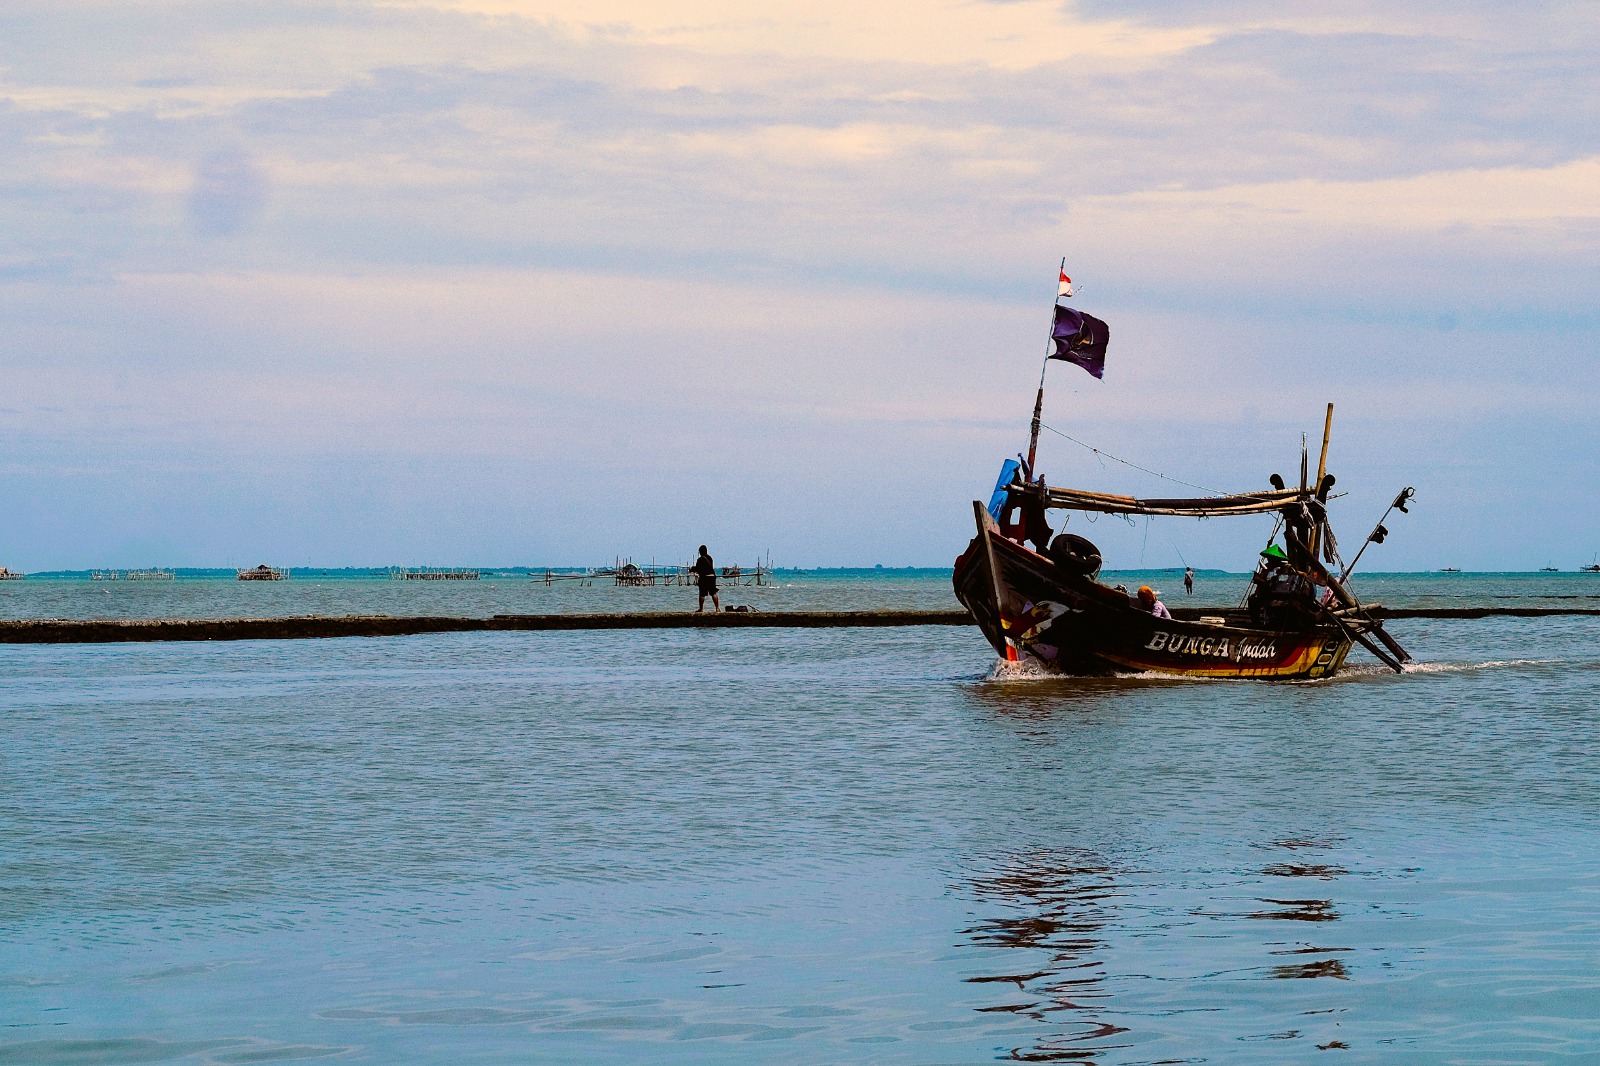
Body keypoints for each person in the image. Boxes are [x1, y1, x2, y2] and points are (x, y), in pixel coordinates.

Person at [692, 545, 720, 613]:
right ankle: (717, 608)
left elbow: (699, 569)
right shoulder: (710, 558)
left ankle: (701, 609)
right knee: (713, 593)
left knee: (702, 594)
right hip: (712, 577)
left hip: (705, 577)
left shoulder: (700, 559)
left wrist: (692, 569)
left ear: (700, 552)